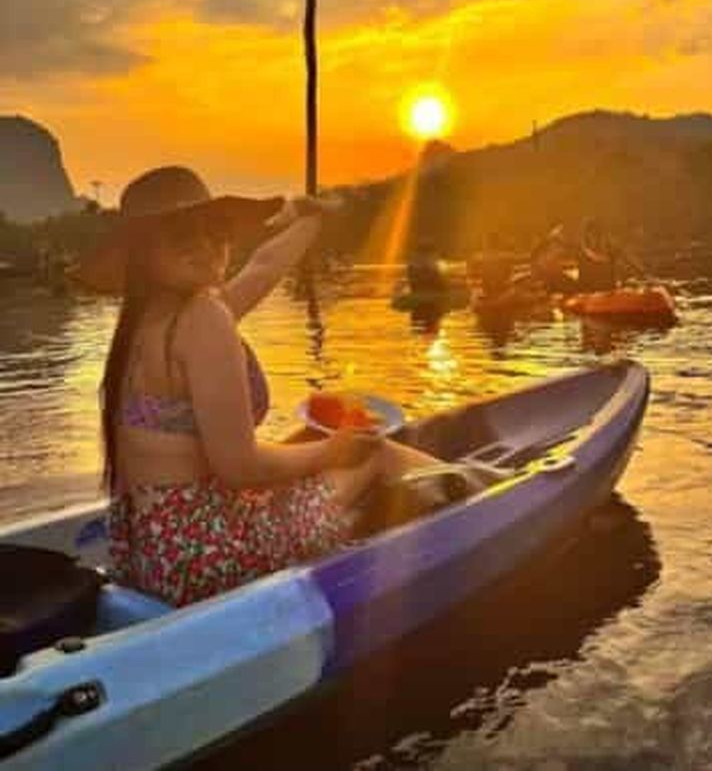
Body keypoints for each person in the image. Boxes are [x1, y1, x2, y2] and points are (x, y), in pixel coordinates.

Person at [77, 166, 441, 607]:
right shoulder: (202, 320)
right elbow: (240, 468)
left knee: (316, 437)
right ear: (143, 253)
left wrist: (312, 216)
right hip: (204, 558)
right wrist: (334, 451)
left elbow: (264, 267)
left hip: (148, 555)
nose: (206, 245)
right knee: (375, 451)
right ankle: (483, 495)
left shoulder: (147, 321)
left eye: (215, 230)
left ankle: (457, 482)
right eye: (179, 235)